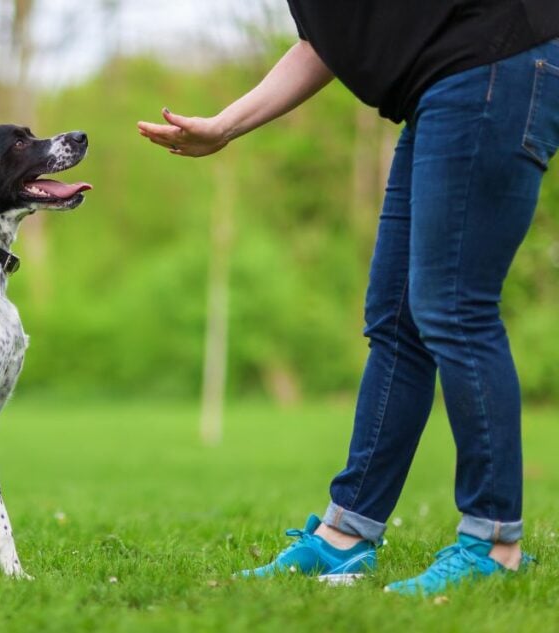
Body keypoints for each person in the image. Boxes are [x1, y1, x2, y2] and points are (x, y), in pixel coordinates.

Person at [138, 0, 559, 595]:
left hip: (493, 65)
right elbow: (322, 46)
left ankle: (495, 541)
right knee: (397, 321)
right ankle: (347, 535)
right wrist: (225, 125)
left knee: (455, 308)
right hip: (443, 90)